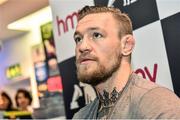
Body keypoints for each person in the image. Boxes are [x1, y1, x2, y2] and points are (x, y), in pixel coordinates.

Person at [73, 6, 180, 119]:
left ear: (126, 45)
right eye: (78, 39)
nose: (82, 46)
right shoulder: (80, 116)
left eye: (96, 35)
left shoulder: (156, 104)